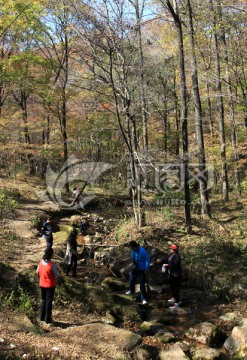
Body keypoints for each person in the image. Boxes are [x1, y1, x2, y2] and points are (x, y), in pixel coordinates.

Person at [37, 247, 60, 324]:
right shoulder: (52, 265)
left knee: (43, 300)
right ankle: (48, 320)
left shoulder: (40, 262)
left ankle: (41, 317)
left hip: (42, 284)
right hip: (50, 285)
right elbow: (56, 275)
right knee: (49, 302)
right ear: (52, 255)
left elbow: (37, 272)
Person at [125, 240, 150, 305]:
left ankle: (143, 299)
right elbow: (134, 258)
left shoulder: (142, 251)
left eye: (133, 248)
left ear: (136, 246)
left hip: (142, 269)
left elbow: (147, 259)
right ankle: (131, 291)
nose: (132, 249)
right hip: (135, 268)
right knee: (131, 280)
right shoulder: (133, 250)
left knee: (142, 284)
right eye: (131, 248)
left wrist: (146, 268)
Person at [161, 244, 182, 309]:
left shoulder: (177, 257)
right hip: (171, 274)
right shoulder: (170, 255)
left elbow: (174, 265)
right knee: (172, 287)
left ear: (175, 250)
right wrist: (161, 260)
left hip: (176, 275)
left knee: (176, 288)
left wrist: (167, 265)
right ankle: (174, 298)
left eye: (171, 249)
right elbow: (166, 258)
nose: (170, 250)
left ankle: (177, 303)